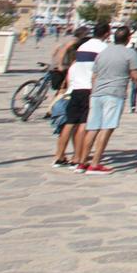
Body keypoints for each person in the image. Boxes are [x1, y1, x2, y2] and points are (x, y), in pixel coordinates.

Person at [79, 25, 137, 175]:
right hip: (114, 93)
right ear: (128, 39)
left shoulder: (103, 53)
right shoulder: (130, 53)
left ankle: (82, 162)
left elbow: (94, 75)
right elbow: (136, 76)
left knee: (93, 128)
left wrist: (94, 91)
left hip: (97, 93)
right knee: (106, 128)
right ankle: (95, 163)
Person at [55, 24, 105, 170]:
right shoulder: (94, 60)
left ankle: (59, 156)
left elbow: (68, 81)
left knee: (69, 124)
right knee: (83, 125)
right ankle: (77, 158)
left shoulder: (75, 64)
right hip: (87, 91)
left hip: (73, 91)